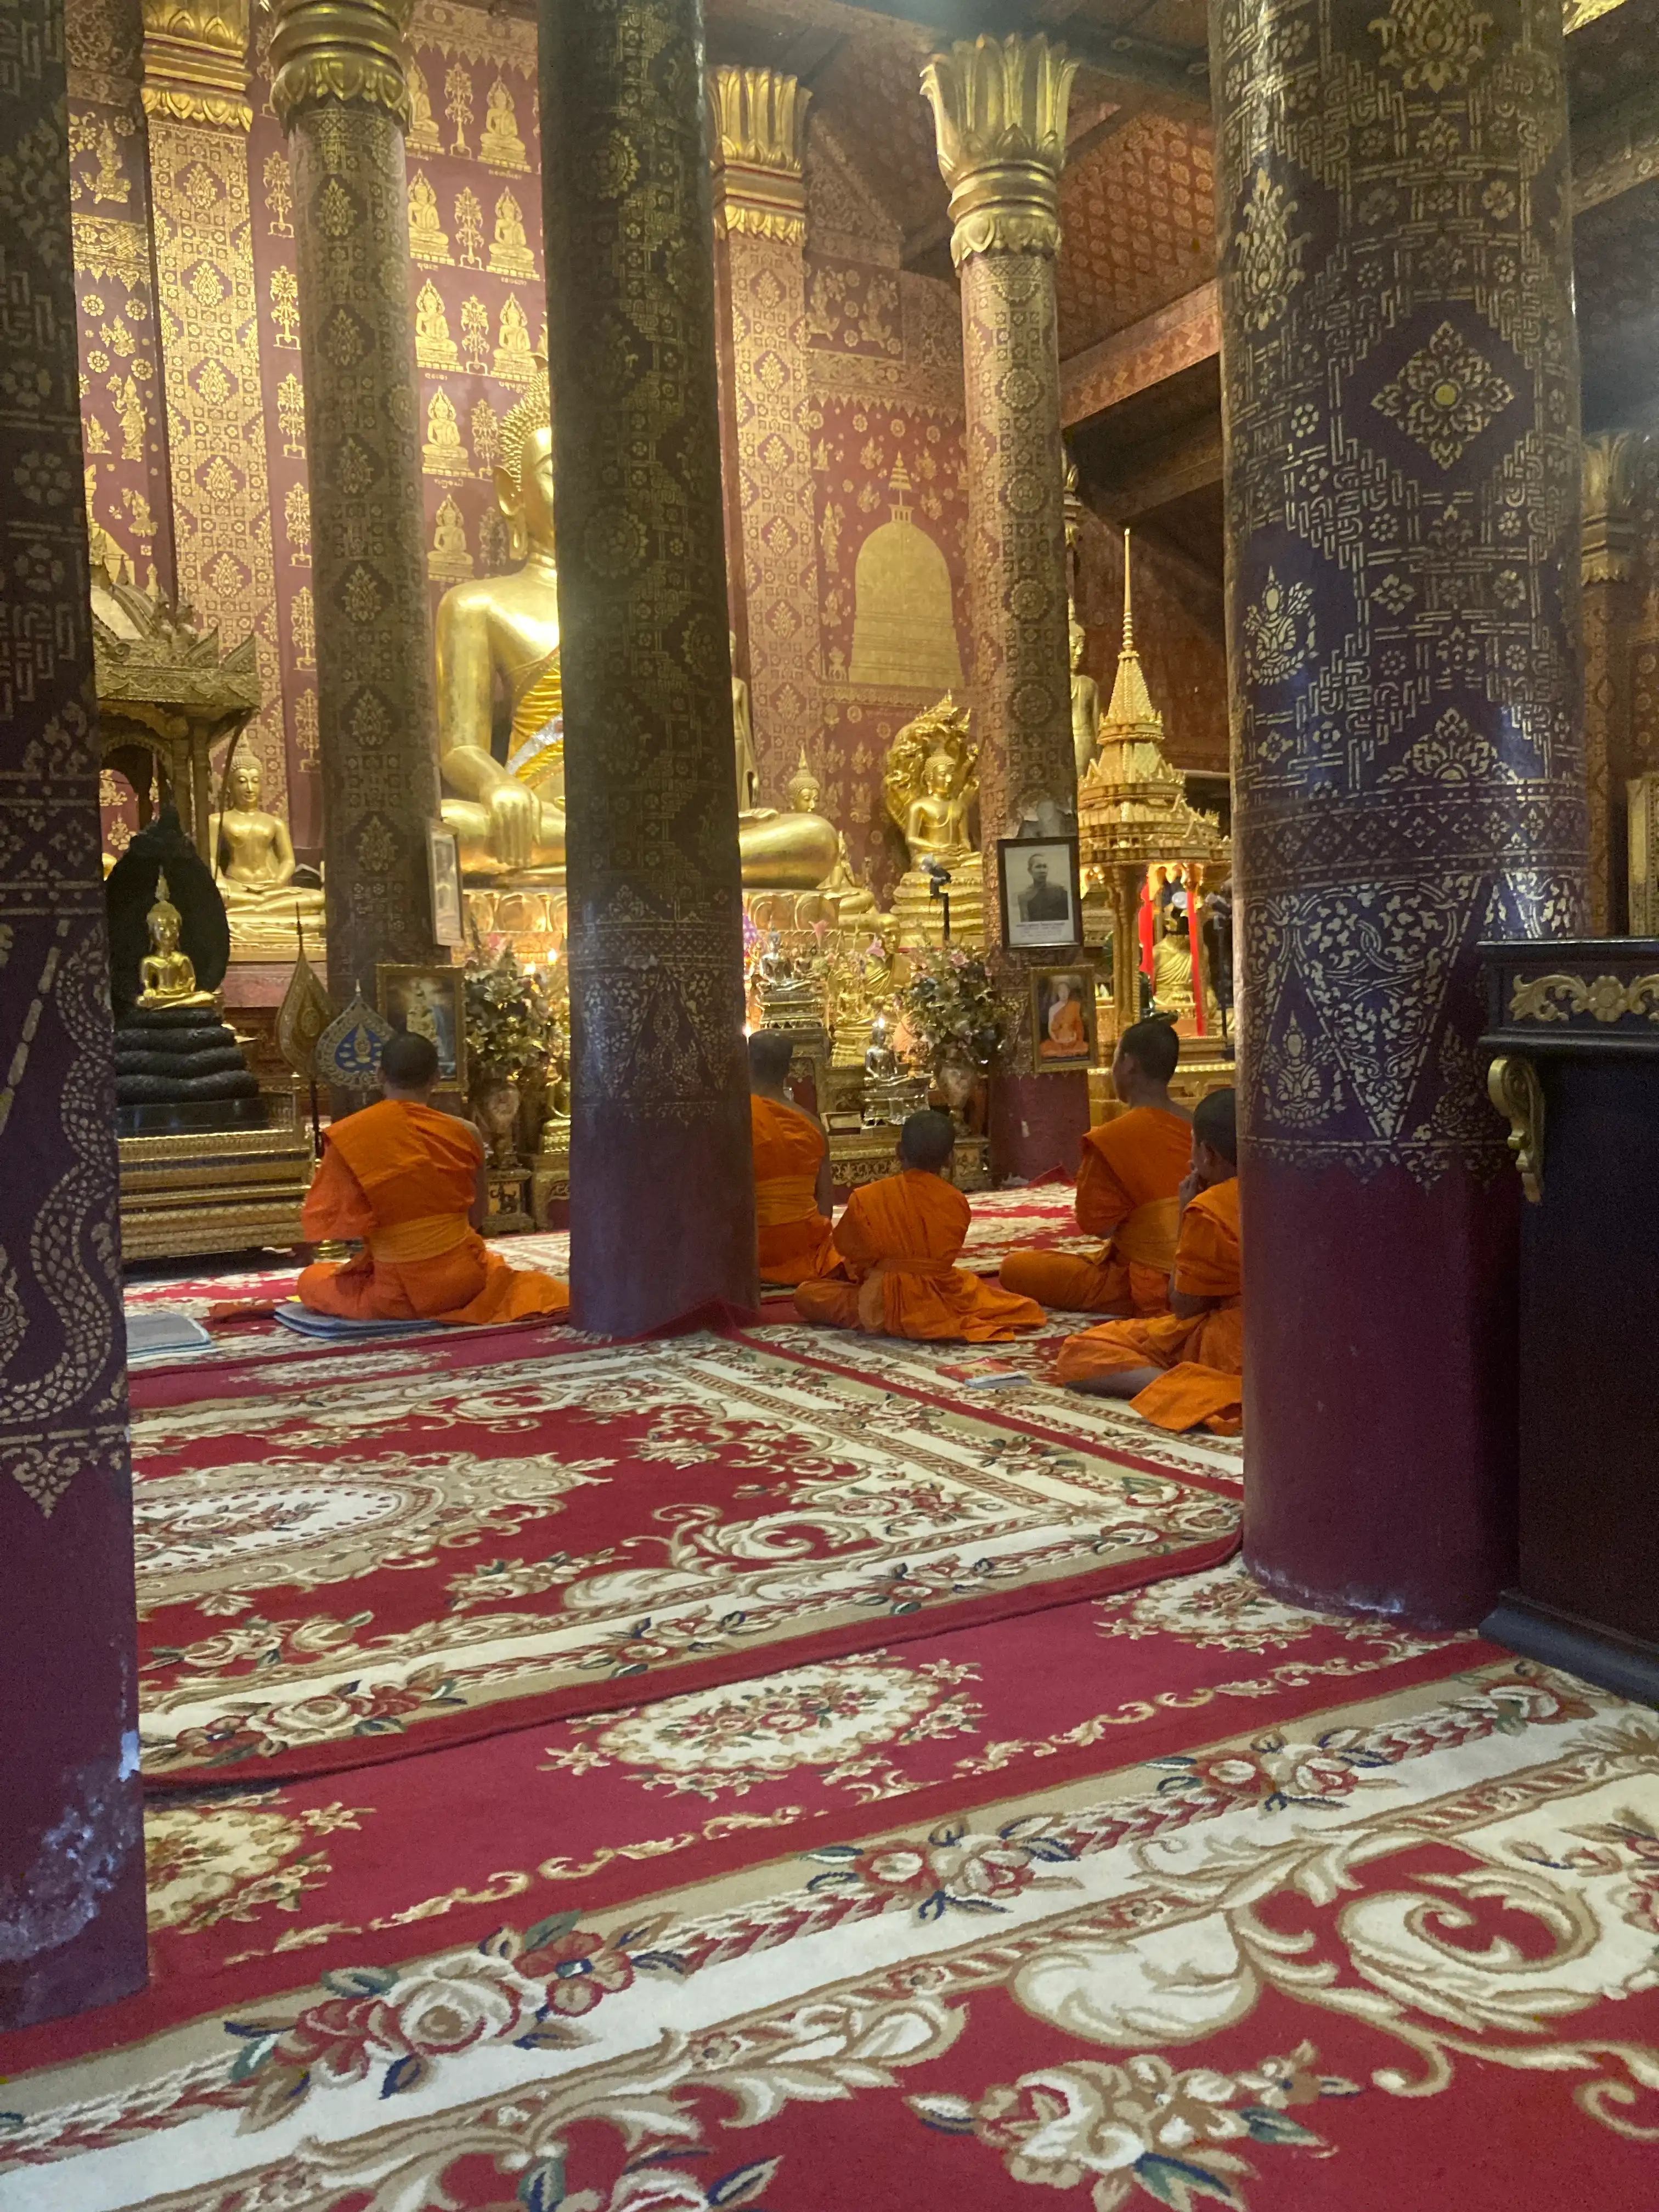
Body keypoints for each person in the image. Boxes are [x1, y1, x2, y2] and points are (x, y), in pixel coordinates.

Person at [297, 1030, 569, 1324]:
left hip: (395, 1295)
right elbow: (477, 1217)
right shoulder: (466, 1132)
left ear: (379, 1076)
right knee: (492, 1269)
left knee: (312, 1280)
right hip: (464, 1284)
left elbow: (338, 1223)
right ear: (437, 1077)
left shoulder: (352, 1135)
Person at [1054, 1086, 1241, 1433]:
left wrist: (1186, 1217)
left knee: (1081, 1351)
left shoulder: (1211, 1209)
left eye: (1195, 1151)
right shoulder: (1296, 1190)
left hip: (1233, 1348)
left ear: (1209, 1154)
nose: (1191, 1163)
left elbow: (1185, 1306)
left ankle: (1190, 1385)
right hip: (1297, 1339)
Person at [795, 1110, 1045, 1341]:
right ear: (949, 1159)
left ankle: (897, 1318)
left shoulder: (867, 1197)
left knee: (808, 1294)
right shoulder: (956, 1201)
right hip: (938, 1295)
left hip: (879, 1302)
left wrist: (874, 1270)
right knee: (1012, 1304)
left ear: (898, 1151)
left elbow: (849, 1249)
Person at [1000, 1017, 1192, 1314]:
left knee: (1015, 1268)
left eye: (1115, 1058)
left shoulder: (1113, 1138)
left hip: (1141, 1280)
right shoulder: (1197, 1127)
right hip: (1205, 1273)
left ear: (1128, 1064)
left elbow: (1099, 1226)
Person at [749, 1028, 837, 1285]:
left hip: (755, 1247)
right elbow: (826, 1203)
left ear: (746, 1063)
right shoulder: (812, 1124)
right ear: (788, 1069)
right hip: (804, 1244)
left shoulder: (736, 1121)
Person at [1043, 975, 1087, 1056]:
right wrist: (1057, 1041)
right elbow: (1050, 1030)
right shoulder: (1053, 1009)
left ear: (1069, 992)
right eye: (1061, 991)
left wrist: (1074, 1038)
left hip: (1073, 1041)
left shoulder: (1075, 1006)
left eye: (1065, 991)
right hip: (1057, 1042)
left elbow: (1078, 1026)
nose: (1064, 994)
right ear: (1058, 993)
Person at [1018, 855, 1070, 924]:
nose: (1042, 871)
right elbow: (1025, 924)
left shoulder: (1060, 891)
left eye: (1045, 866)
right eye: (1038, 867)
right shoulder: (1024, 896)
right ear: (1030, 870)